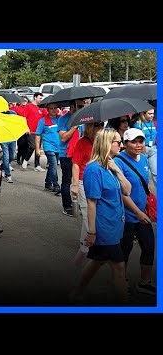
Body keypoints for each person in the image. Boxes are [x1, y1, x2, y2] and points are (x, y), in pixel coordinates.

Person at [70, 128, 131, 304]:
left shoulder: (112, 165)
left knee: (98, 260)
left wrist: (117, 171)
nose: (121, 145)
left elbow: (127, 191)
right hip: (105, 227)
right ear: (106, 144)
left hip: (115, 224)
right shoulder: (93, 169)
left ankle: (76, 292)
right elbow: (91, 203)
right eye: (117, 142)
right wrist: (91, 231)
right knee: (119, 267)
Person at [114, 128, 156, 295]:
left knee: (149, 247)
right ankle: (121, 281)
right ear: (125, 144)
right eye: (134, 142)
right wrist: (138, 213)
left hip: (143, 214)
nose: (139, 145)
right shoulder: (118, 162)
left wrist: (145, 208)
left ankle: (144, 282)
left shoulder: (144, 159)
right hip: (127, 215)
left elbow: (145, 186)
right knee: (125, 250)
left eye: (141, 141)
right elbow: (122, 193)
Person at [71, 121, 105, 265]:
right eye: (97, 125)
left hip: (99, 182)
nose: (100, 127)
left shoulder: (103, 142)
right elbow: (76, 164)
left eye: (102, 124)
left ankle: (84, 241)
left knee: (93, 214)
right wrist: (75, 185)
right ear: (90, 127)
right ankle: (85, 247)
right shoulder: (82, 143)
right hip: (84, 182)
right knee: (87, 214)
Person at [133, 109, 157, 196]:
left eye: (153, 114)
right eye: (149, 113)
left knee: (156, 175)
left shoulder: (153, 123)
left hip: (153, 149)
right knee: (143, 174)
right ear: (143, 113)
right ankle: (145, 195)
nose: (152, 115)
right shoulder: (138, 125)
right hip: (143, 149)